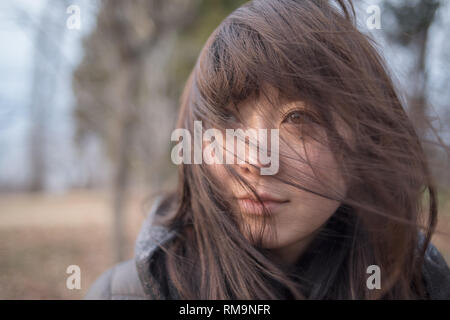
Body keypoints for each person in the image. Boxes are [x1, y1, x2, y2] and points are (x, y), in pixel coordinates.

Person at [85, 0, 450, 299]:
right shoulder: (121, 294)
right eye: (226, 119)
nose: (255, 161)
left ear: (363, 142)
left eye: (298, 119)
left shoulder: (423, 287)